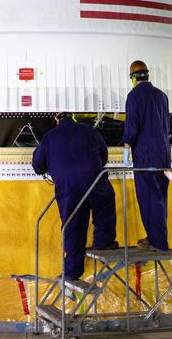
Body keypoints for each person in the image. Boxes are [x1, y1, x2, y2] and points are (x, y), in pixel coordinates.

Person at [32, 112, 117, 282]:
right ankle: (103, 242)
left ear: (57, 121)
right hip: (92, 179)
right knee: (104, 205)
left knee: (72, 224)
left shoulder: (49, 137)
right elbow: (104, 155)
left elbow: (37, 165)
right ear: (73, 118)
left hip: (67, 186)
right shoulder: (89, 131)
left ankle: (72, 270)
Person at [122, 59, 171, 252]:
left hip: (146, 156)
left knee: (149, 197)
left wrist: (126, 152)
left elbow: (132, 127)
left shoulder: (134, 96)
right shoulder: (162, 96)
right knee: (161, 196)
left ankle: (158, 242)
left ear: (133, 78)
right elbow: (166, 127)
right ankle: (157, 236)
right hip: (164, 156)